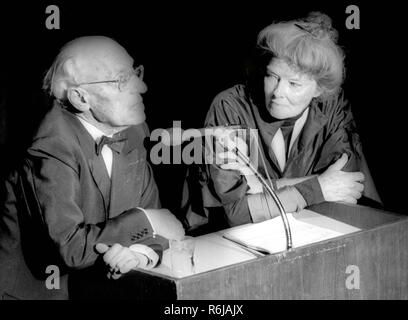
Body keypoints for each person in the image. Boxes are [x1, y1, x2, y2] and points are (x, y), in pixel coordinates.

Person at [0, 36, 183, 300]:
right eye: (121, 80)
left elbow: (157, 230)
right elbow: (71, 248)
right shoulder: (51, 144)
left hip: (101, 288)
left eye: (135, 73)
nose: (141, 86)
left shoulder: (133, 130)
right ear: (80, 98)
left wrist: (138, 254)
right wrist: (148, 221)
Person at [183, 12, 382, 230]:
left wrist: (259, 186)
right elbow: (235, 213)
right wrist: (315, 188)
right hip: (222, 240)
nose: (278, 92)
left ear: (319, 89)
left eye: (294, 84)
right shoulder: (229, 106)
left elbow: (346, 186)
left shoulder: (332, 104)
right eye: (272, 76)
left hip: (304, 230)